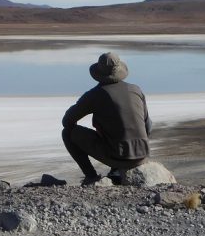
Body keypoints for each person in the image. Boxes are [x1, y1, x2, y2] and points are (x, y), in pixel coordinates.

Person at [61, 51, 151, 186]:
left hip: (119, 157)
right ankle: (116, 169)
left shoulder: (95, 94)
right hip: (143, 155)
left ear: (98, 73)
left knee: (68, 133)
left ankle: (91, 177)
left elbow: (67, 122)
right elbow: (147, 126)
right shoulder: (135, 90)